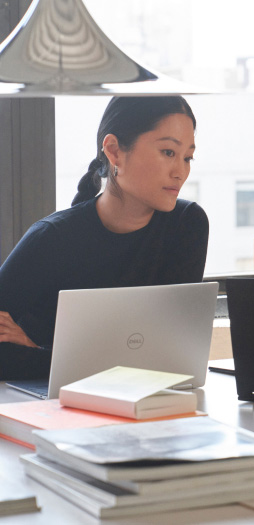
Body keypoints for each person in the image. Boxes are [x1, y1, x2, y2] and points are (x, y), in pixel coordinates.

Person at [0, 96, 209, 380]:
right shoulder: (51, 238)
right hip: (47, 406)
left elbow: (172, 353)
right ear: (114, 151)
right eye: (168, 152)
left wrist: (39, 352)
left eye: (188, 157)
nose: (181, 172)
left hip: (147, 399)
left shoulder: (188, 225)